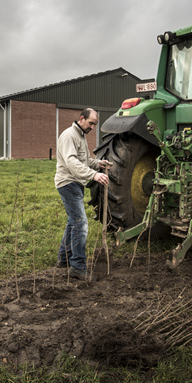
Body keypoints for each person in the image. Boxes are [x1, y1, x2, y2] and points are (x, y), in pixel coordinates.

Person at [54, 108, 110, 280]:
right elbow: (71, 162)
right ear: (81, 119)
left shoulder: (80, 136)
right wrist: (93, 175)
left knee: (73, 222)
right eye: (91, 123)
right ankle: (78, 266)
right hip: (67, 183)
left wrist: (98, 164)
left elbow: (83, 161)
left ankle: (64, 259)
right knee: (81, 223)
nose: (92, 127)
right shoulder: (69, 135)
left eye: (94, 124)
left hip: (75, 183)